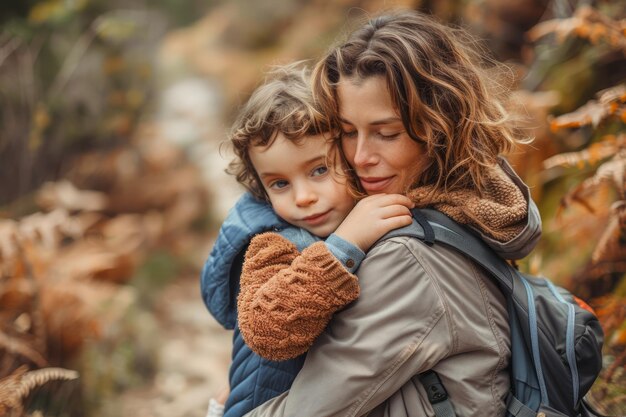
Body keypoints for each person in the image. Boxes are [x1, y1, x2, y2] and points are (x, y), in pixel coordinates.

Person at [242, 9, 542, 417]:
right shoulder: (465, 208)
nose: (361, 157)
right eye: (348, 132)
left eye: (386, 133)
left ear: (439, 126)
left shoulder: (408, 256)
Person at [200, 63, 414, 417]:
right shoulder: (274, 242)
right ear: (260, 187)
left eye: (319, 170)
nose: (303, 197)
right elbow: (269, 328)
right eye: (280, 183)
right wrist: (344, 246)